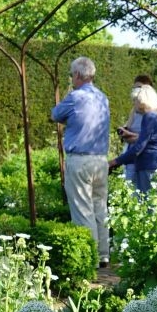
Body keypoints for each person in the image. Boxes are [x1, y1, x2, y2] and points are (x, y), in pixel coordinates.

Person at [51, 56, 112, 265]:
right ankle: (103, 254)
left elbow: (56, 114)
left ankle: (89, 258)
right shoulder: (103, 98)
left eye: (71, 75)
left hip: (80, 160)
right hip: (101, 160)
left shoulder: (75, 97)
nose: (71, 79)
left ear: (77, 75)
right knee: (100, 207)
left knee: (82, 209)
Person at [110, 83, 157, 196]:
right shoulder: (155, 117)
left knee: (147, 202)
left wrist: (115, 162)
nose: (134, 104)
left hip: (148, 166)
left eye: (135, 100)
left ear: (142, 101)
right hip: (155, 165)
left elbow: (139, 147)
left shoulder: (149, 117)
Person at [117, 74, 156, 188]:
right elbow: (127, 128)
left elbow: (151, 138)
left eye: (139, 88)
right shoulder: (134, 110)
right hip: (132, 155)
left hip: (147, 157)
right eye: (134, 88)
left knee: (148, 189)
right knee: (131, 189)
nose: (136, 91)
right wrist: (124, 131)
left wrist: (131, 136)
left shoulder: (156, 111)